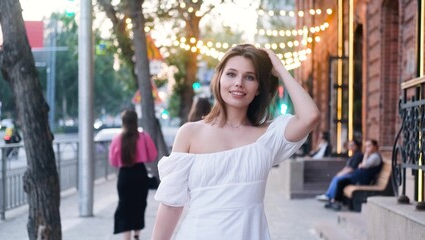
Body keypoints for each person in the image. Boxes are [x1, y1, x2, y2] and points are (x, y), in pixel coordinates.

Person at [151, 44, 320, 239]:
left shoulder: (268, 136)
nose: (239, 83)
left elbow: (310, 116)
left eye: (250, 77)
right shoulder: (190, 133)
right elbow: (171, 205)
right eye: (231, 74)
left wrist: (280, 69)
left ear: (258, 88)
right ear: (219, 78)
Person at [109, 109, 158, 240]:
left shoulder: (117, 139)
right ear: (136, 121)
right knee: (139, 205)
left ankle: (126, 237)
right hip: (140, 174)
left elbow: (113, 161)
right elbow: (152, 155)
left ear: (123, 122)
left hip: (124, 175)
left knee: (125, 206)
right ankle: (137, 235)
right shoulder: (143, 137)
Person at [324, 139, 382, 211]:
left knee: (341, 182)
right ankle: (335, 201)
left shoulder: (375, 156)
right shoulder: (372, 156)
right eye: (366, 146)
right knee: (341, 181)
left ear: (375, 147)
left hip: (363, 179)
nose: (367, 148)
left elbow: (363, 165)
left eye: (369, 146)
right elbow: (361, 165)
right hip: (359, 177)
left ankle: (336, 202)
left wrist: (365, 156)